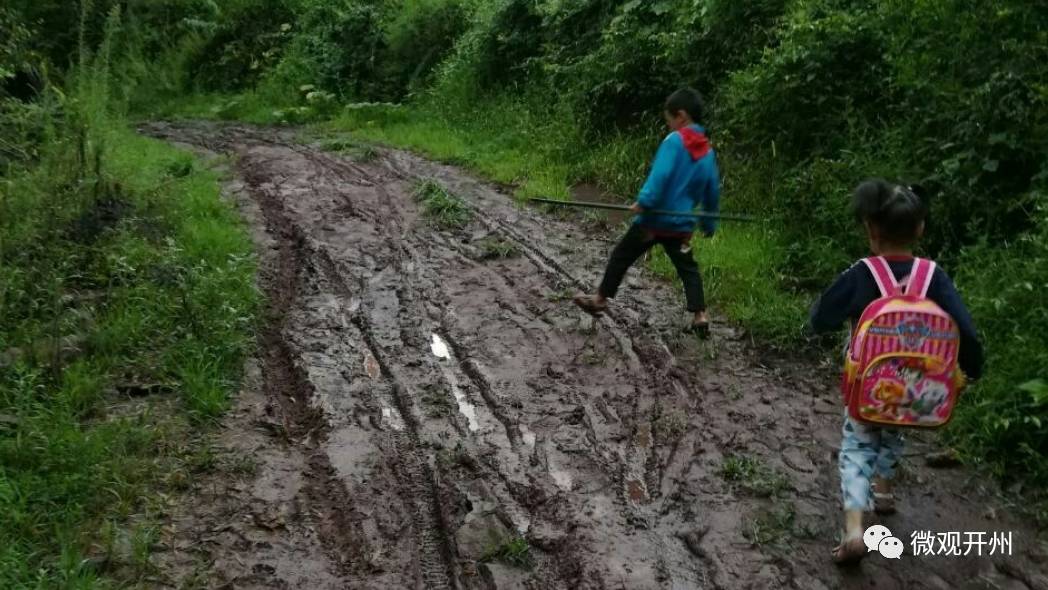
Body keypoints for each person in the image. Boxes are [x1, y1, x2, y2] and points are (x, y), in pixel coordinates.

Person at [809, 179, 984, 564]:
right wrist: (972, 370)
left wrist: (821, 321)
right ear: (920, 229)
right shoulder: (933, 276)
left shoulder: (862, 273)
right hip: (917, 390)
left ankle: (855, 529)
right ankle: (884, 490)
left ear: (871, 229)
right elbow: (965, 330)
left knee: (857, 448)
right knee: (894, 432)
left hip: (867, 387)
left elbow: (821, 317)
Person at [573, 88, 721, 335]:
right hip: (681, 227)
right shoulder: (707, 151)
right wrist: (708, 224)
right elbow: (711, 192)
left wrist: (644, 201)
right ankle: (700, 315)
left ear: (681, 116)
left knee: (621, 255)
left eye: (670, 120)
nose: (670, 125)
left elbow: (660, 175)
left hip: (653, 222)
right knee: (688, 269)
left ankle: (600, 298)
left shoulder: (674, 141)